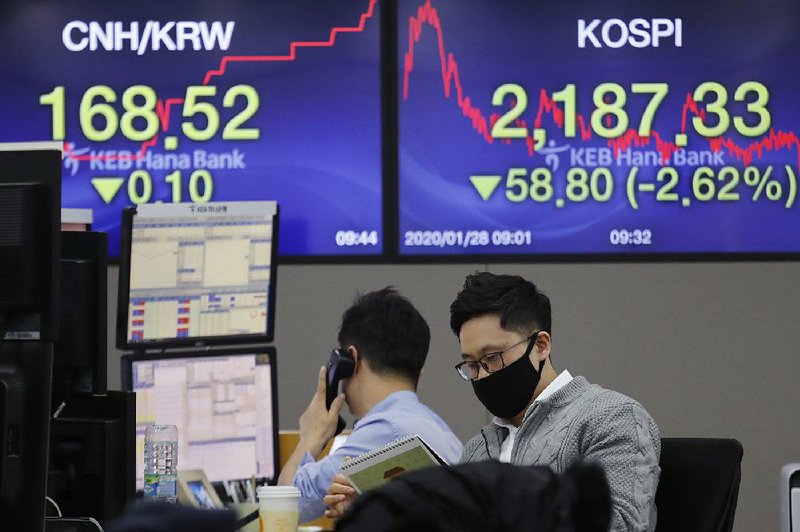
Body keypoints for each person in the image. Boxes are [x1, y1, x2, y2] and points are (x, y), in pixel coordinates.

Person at [326, 273, 660, 532]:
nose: (483, 375)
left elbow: (621, 526)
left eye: (493, 358)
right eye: (471, 365)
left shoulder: (611, 417)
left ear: (541, 345)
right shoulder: (477, 449)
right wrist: (385, 510)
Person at [277, 287, 463, 523]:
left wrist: (311, 437)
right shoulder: (436, 427)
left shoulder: (386, 430)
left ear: (351, 359)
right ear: (419, 372)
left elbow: (287, 507)